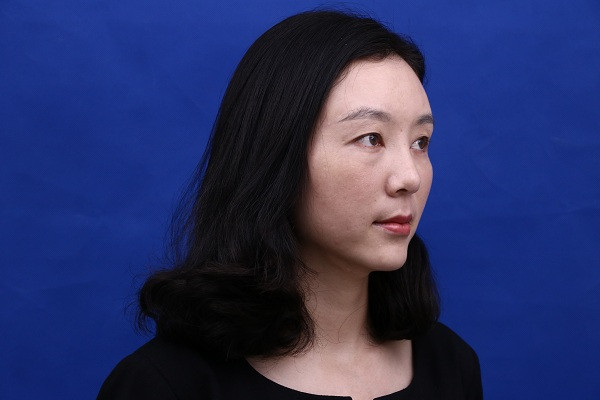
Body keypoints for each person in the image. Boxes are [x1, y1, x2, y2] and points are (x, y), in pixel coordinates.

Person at [98, 10, 483, 400]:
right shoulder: (167, 385)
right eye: (371, 138)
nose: (409, 178)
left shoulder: (451, 365)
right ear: (276, 155)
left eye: (420, 142)